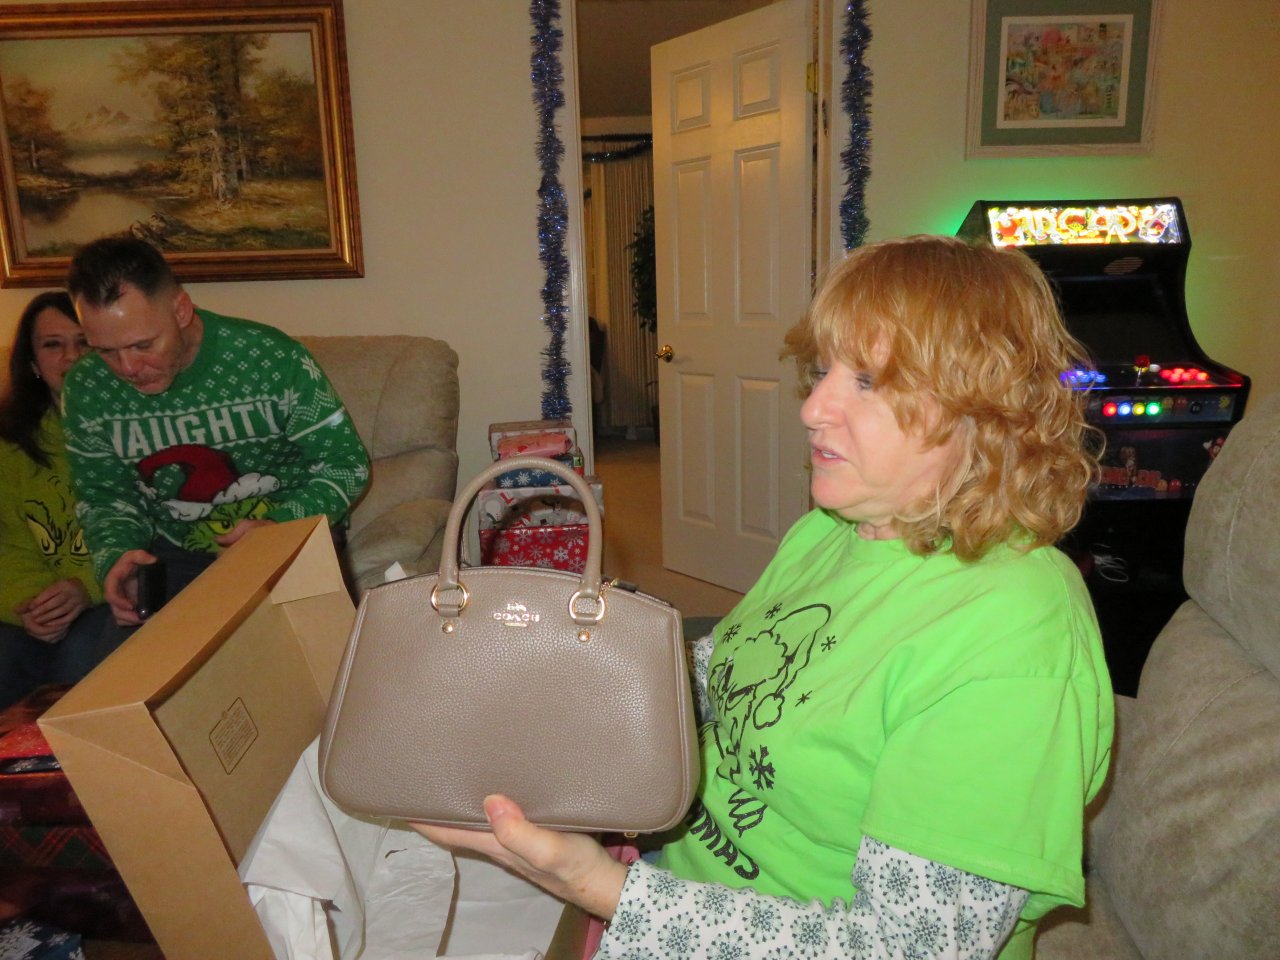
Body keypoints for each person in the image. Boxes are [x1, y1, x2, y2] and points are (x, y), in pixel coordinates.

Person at [414, 236, 1114, 959]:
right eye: (823, 370)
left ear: (985, 413)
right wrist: (561, 685)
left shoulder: (1014, 638)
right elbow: (723, 678)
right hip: (667, 871)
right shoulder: (833, 531)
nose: (813, 407)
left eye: (868, 381)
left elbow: (904, 948)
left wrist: (596, 885)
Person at [60, 236, 370, 633]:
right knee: (130, 669)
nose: (127, 367)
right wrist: (117, 557)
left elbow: (347, 465)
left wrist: (280, 526)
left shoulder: (271, 358)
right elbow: (105, 496)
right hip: (175, 552)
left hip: (289, 538)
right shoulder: (87, 387)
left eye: (143, 345)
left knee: (313, 658)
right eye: (105, 350)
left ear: (181, 310)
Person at [0, 292, 112, 709]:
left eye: (83, 342)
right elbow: (7, 545)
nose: (71, 357)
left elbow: (154, 535)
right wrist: (34, 604)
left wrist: (83, 587)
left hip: (110, 593)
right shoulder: (8, 443)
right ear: (32, 363)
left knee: (77, 668)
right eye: (53, 345)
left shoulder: (137, 427)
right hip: (30, 603)